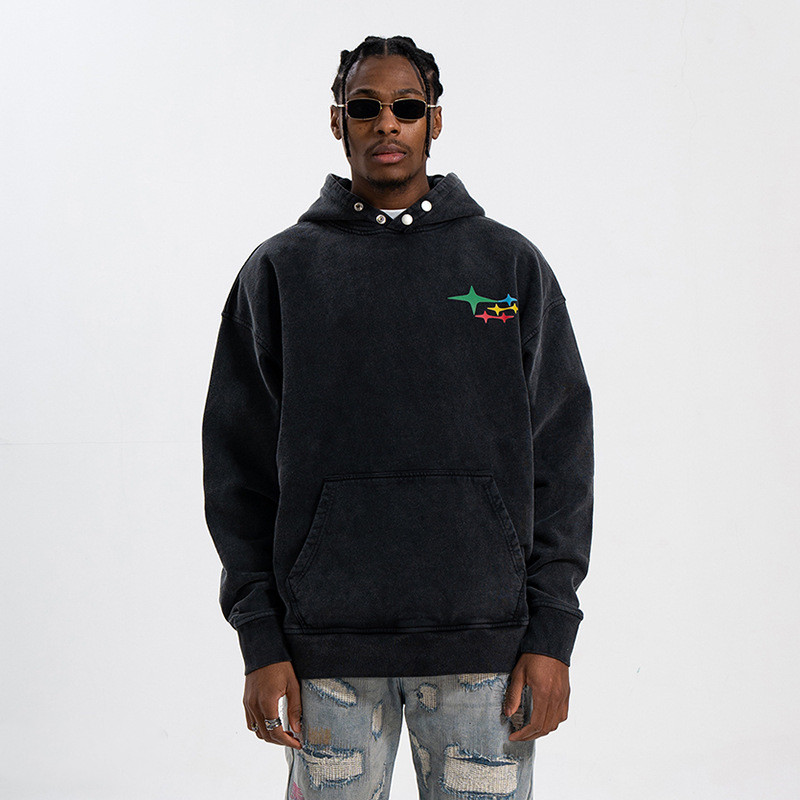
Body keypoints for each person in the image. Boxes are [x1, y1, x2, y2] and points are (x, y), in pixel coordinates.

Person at [202, 34, 594, 800]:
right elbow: (238, 471)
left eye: (407, 107)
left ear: (434, 120)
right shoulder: (280, 271)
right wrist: (259, 639)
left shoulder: (507, 267)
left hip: (486, 652)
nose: (387, 122)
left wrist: (552, 631)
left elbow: (562, 457)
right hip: (325, 654)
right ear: (337, 120)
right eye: (366, 107)